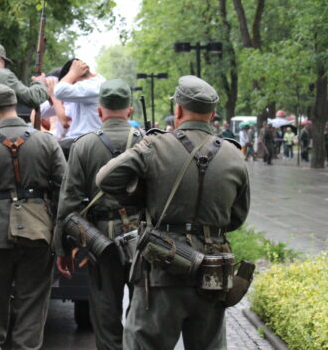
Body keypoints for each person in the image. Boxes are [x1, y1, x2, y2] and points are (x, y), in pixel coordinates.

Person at [95, 75, 249, 350]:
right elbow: (238, 216)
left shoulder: (155, 146)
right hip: (212, 274)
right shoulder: (233, 154)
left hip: (160, 270)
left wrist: (139, 196)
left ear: (178, 110)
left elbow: (105, 179)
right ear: (213, 115)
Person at [0, 84, 66, 350]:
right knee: (32, 307)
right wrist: (61, 241)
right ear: (14, 106)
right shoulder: (46, 142)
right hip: (39, 234)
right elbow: (66, 192)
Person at [54, 79, 142, 350]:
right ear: (129, 111)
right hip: (142, 240)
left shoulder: (84, 145)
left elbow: (68, 201)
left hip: (100, 241)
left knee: (105, 312)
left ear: (100, 111)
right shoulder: (147, 142)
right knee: (141, 310)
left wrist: (62, 248)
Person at [54, 59, 106, 156]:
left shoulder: (93, 86)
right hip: (84, 140)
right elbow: (66, 116)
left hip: (87, 141)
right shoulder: (93, 85)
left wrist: (72, 73)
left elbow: (59, 91)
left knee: (50, 151)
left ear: (76, 77)